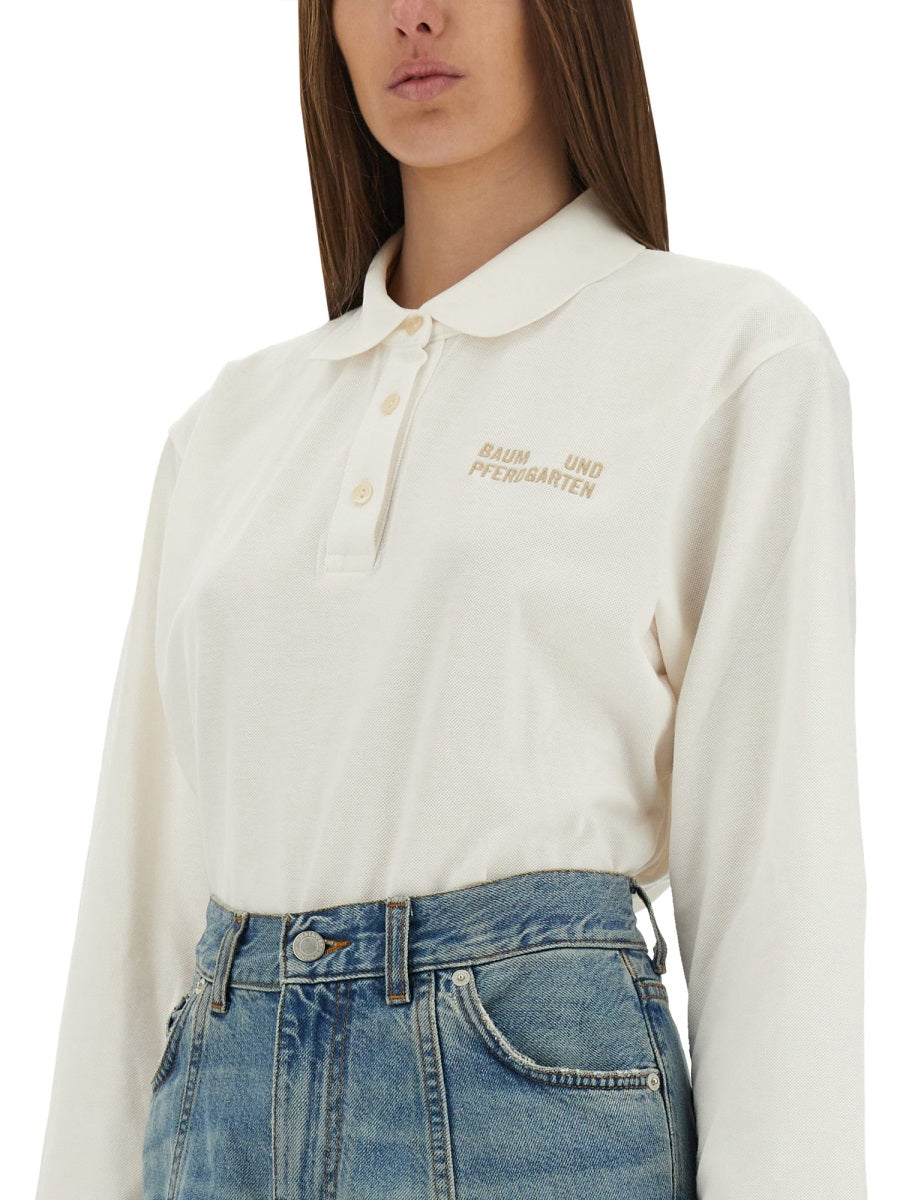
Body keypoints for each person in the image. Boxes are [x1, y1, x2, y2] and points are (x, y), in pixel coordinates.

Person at [35, 2, 866, 1198]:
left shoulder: (729, 356)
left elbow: (778, 887)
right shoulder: (230, 429)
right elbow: (138, 905)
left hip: (533, 1116)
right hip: (216, 1126)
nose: (413, 16)